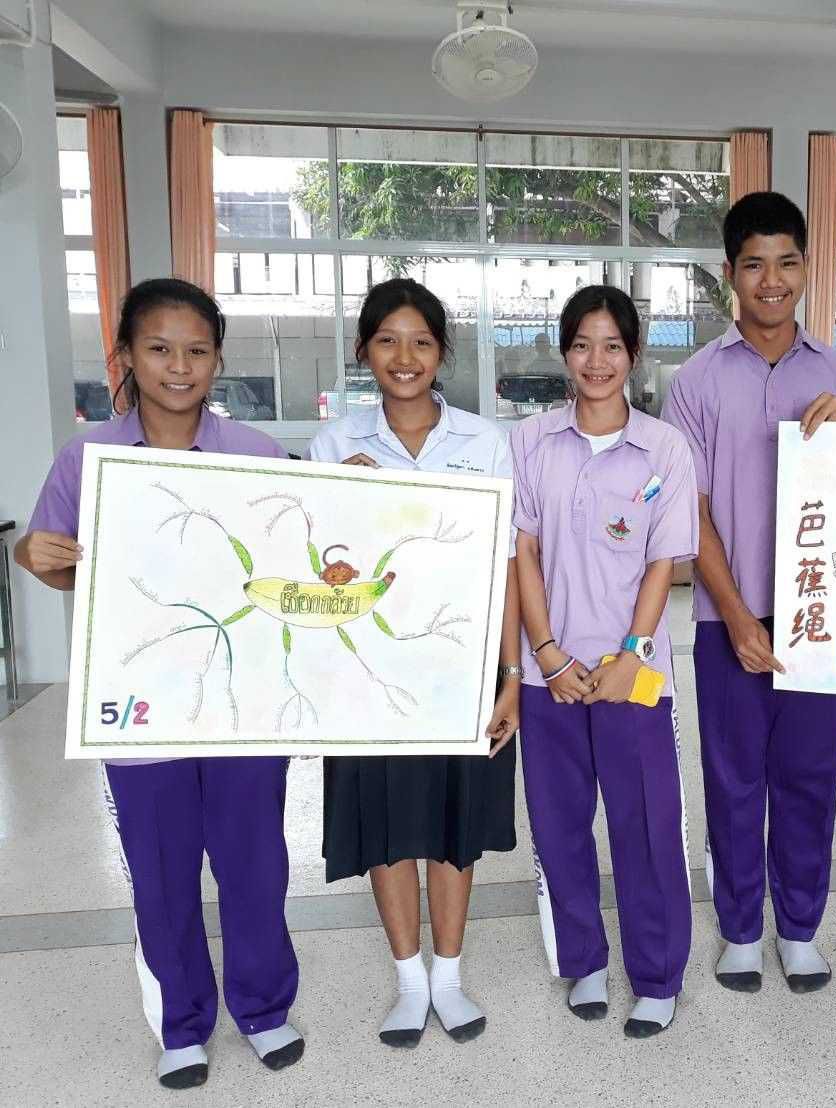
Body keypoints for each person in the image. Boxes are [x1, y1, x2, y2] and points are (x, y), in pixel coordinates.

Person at [16, 278, 304, 1089]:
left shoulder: (257, 454)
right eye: (159, 348)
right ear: (126, 357)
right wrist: (32, 555)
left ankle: (263, 1008)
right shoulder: (88, 460)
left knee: (255, 864)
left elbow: (295, 570)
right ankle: (182, 1022)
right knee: (161, 869)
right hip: (141, 706)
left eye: (197, 350)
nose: (179, 366)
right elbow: (55, 559)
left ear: (218, 359)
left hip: (243, 702)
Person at [662, 191, 836, 993]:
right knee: (733, 779)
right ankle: (742, 928)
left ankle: (801, 927)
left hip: (822, 618)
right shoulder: (696, 381)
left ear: (808, 269)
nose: (771, 280)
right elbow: (692, 510)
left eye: (786, 262)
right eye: (754, 264)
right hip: (728, 618)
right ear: (730, 273)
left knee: (810, 778)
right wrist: (739, 617)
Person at [308, 278, 522, 1048]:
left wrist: (510, 678)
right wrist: (348, 509)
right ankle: (408, 981)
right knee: (386, 823)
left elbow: (505, 563)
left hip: (461, 663)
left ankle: (449, 978)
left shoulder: (482, 441)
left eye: (421, 342)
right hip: (366, 668)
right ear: (363, 349)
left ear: (441, 352)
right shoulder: (335, 445)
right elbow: (318, 569)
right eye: (388, 341)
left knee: (455, 820)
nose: (405, 357)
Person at [512, 285, 696, 1038]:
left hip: (634, 674)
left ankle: (657, 974)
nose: (597, 361)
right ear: (565, 354)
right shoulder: (530, 442)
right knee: (559, 826)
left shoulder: (664, 448)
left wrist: (631, 655)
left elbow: (662, 563)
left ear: (633, 355)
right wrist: (548, 655)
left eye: (612, 346)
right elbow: (522, 553)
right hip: (547, 675)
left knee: (646, 826)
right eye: (583, 345)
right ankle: (584, 960)